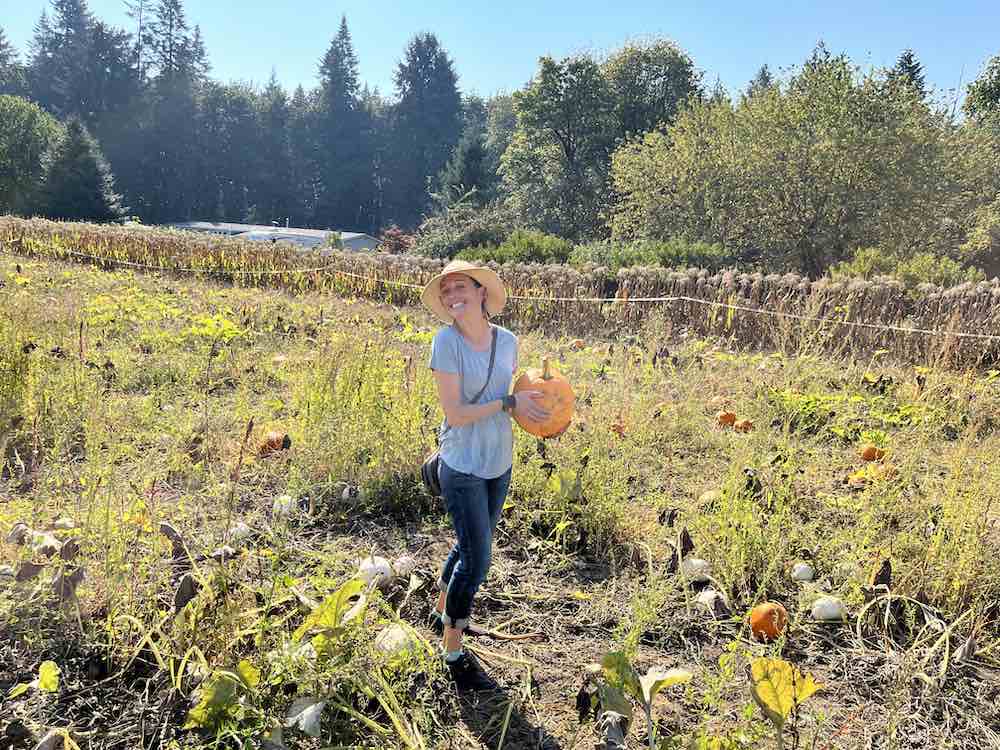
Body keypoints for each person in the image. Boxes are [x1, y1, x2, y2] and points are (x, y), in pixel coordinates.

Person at [421, 260, 550, 690]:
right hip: (462, 465)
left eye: (460, 286)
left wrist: (539, 410)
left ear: (481, 293)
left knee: (470, 545)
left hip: (499, 461)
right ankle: (452, 649)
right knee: (477, 562)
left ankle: (442, 607)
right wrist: (508, 405)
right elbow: (456, 414)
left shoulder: (508, 342)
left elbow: (512, 398)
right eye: (446, 290)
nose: (452, 294)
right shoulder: (445, 342)